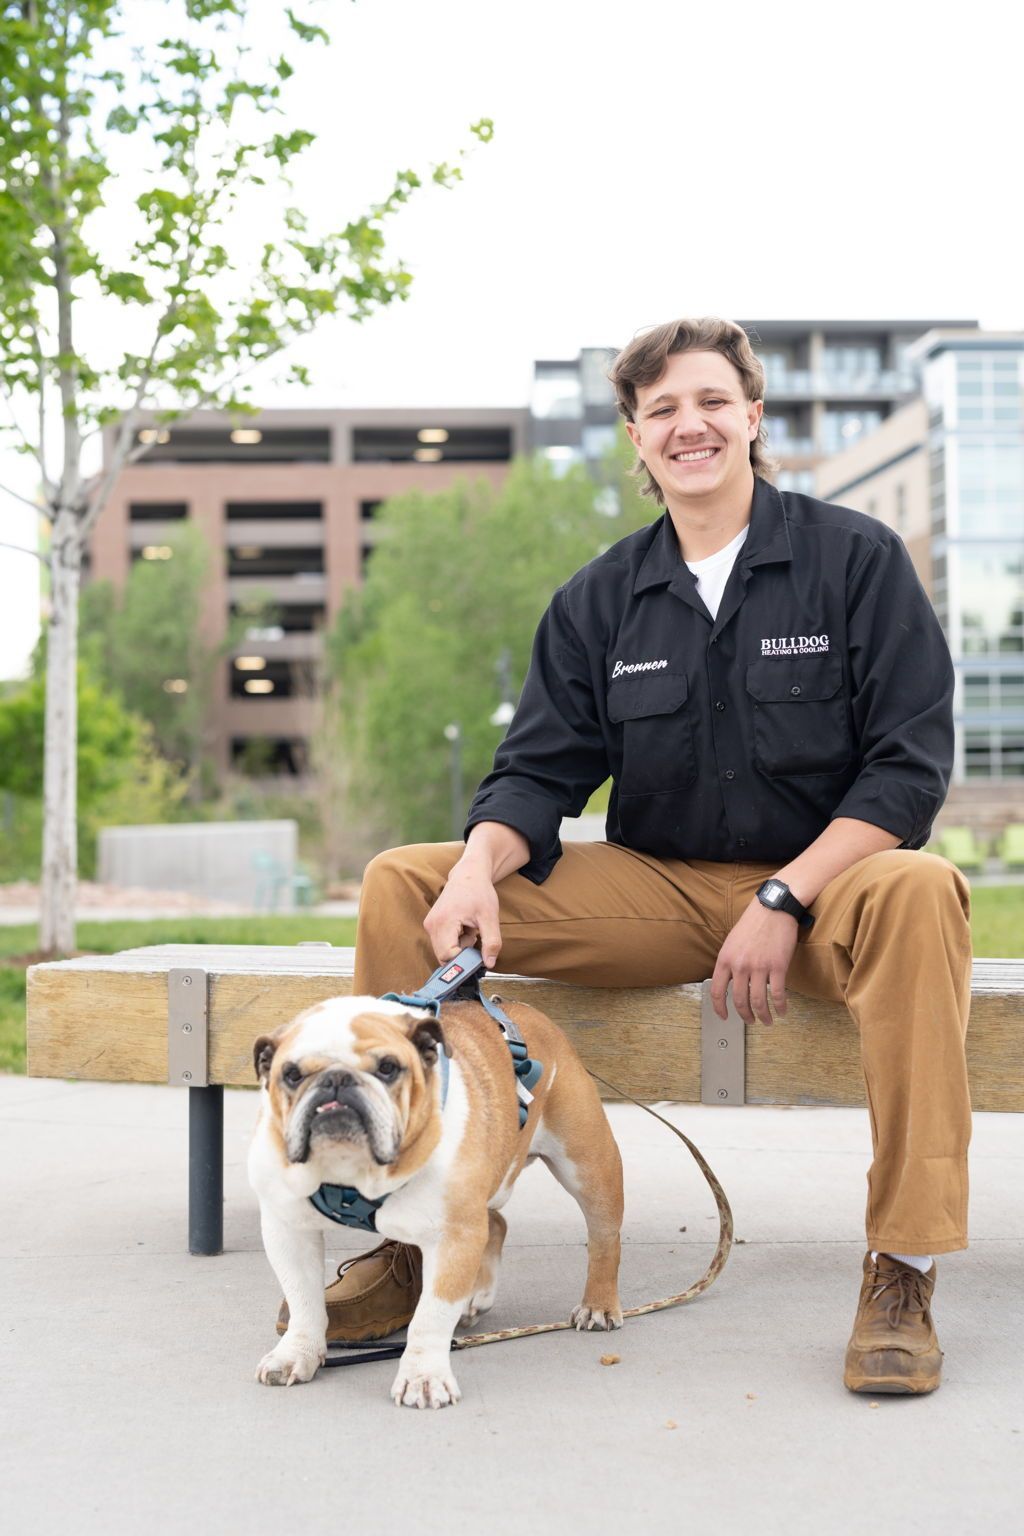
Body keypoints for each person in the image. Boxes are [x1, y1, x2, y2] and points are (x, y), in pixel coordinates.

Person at [312, 317, 972, 1395]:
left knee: (921, 890)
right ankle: (412, 1233)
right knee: (407, 876)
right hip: (658, 890)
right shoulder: (598, 598)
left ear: (752, 418)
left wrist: (784, 893)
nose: (689, 425)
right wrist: (480, 862)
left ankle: (902, 1266)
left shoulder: (854, 561)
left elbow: (907, 774)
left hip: (832, 888)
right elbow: (535, 772)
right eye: (661, 409)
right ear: (635, 437)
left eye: (711, 401)